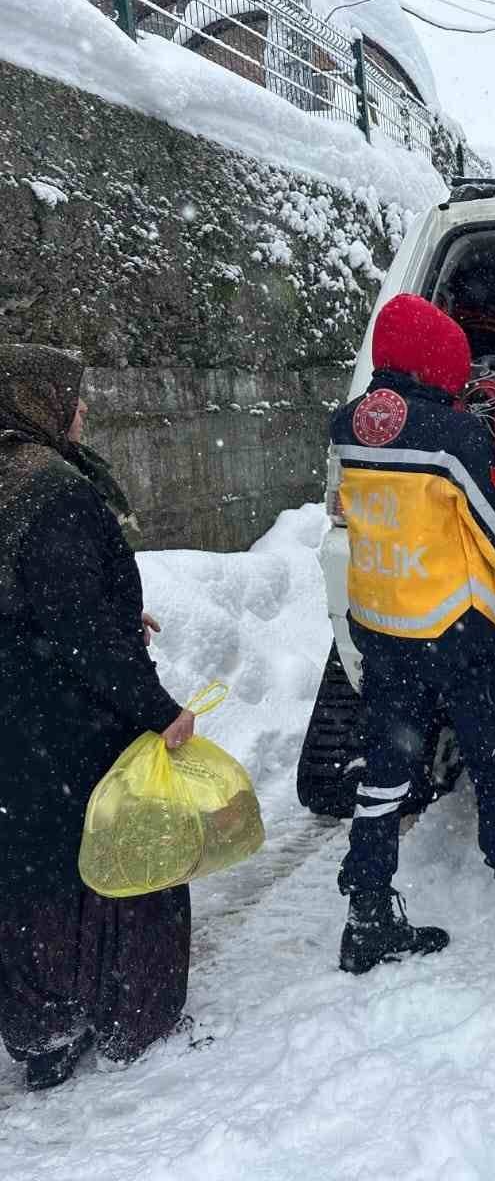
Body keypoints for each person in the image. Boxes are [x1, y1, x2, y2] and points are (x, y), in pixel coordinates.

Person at [329, 294, 495, 975]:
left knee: (384, 772)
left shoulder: (348, 427)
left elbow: (357, 517)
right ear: (438, 362)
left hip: (383, 626)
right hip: (457, 632)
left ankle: (367, 916)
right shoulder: (453, 436)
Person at [0, 343, 195, 1090]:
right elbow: (78, 630)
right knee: (114, 854)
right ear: (40, 400)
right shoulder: (50, 490)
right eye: (73, 398)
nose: (82, 411)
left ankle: (41, 1033)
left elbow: (41, 600)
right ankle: (126, 1016)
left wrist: (109, 614)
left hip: (13, 721)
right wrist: (159, 710)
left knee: (24, 873)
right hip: (64, 721)